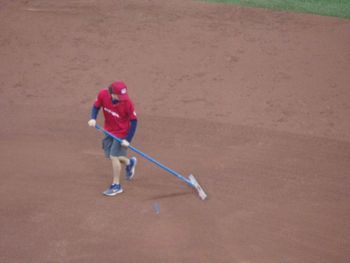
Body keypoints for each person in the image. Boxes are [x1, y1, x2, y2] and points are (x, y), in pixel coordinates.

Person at [88, 80, 138, 196]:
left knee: (113, 156)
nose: (123, 98)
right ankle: (129, 162)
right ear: (112, 94)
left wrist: (128, 140)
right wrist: (93, 118)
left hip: (122, 132)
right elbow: (96, 107)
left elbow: (134, 121)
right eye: (120, 95)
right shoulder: (103, 95)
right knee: (109, 155)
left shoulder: (127, 103)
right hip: (108, 131)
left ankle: (116, 185)